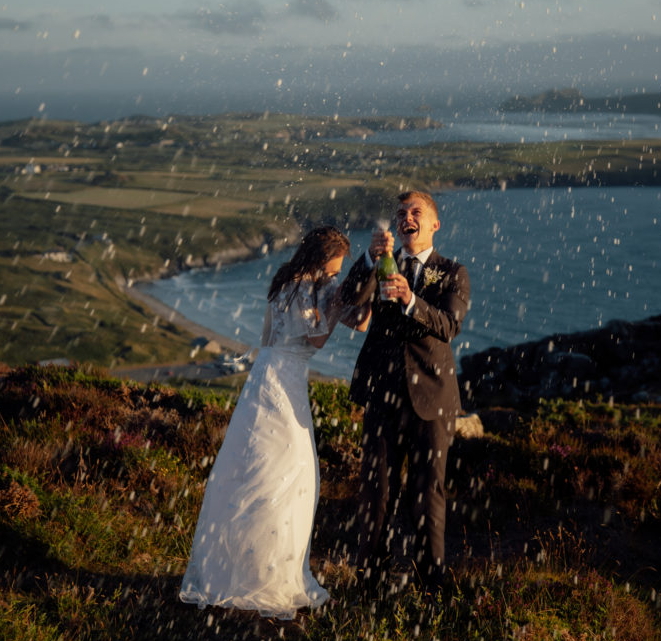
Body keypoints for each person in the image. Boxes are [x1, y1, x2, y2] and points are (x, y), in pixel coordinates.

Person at [179, 226, 357, 619]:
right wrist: (340, 302)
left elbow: (270, 335)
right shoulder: (304, 286)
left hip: (267, 374)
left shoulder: (287, 281)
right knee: (287, 473)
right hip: (285, 379)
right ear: (323, 256)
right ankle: (267, 575)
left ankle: (237, 569)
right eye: (335, 265)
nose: (335, 273)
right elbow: (316, 340)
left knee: (258, 470)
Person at [341, 190, 470, 594]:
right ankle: (370, 581)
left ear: (434, 225)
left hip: (432, 399)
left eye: (416, 212)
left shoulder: (452, 272)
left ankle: (431, 582)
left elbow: (449, 325)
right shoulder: (382, 265)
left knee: (427, 491)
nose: (406, 217)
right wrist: (368, 260)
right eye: (401, 213)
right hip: (382, 394)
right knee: (375, 490)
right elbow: (346, 302)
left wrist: (411, 299)